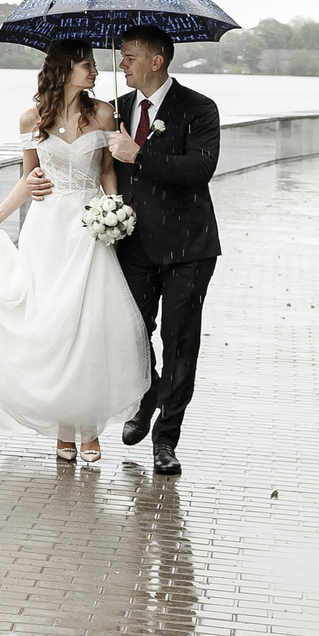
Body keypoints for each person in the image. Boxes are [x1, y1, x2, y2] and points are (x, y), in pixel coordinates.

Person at [0, 38, 153, 466]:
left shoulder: (104, 112)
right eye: (88, 66)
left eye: (94, 66)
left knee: (86, 326)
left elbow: (107, 171)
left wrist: (113, 209)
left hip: (88, 229)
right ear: (66, 70)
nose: (95, 73)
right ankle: (64, 430)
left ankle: (88, 429)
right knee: (51, 324)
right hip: (46, 230)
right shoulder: (31, 119)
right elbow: (29, 178)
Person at [109, 23, 221, 476]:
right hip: (132, 245)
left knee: (179, 343)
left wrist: (140, 155)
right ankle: (148, 393)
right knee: (133, 336)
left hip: (188, 249)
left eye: (130, 56)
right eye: (122, 55)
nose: (122, 64)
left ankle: (166, 439)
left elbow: (201, 168)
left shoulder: (199, 108)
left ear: (157, 61)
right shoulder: (115, 110)